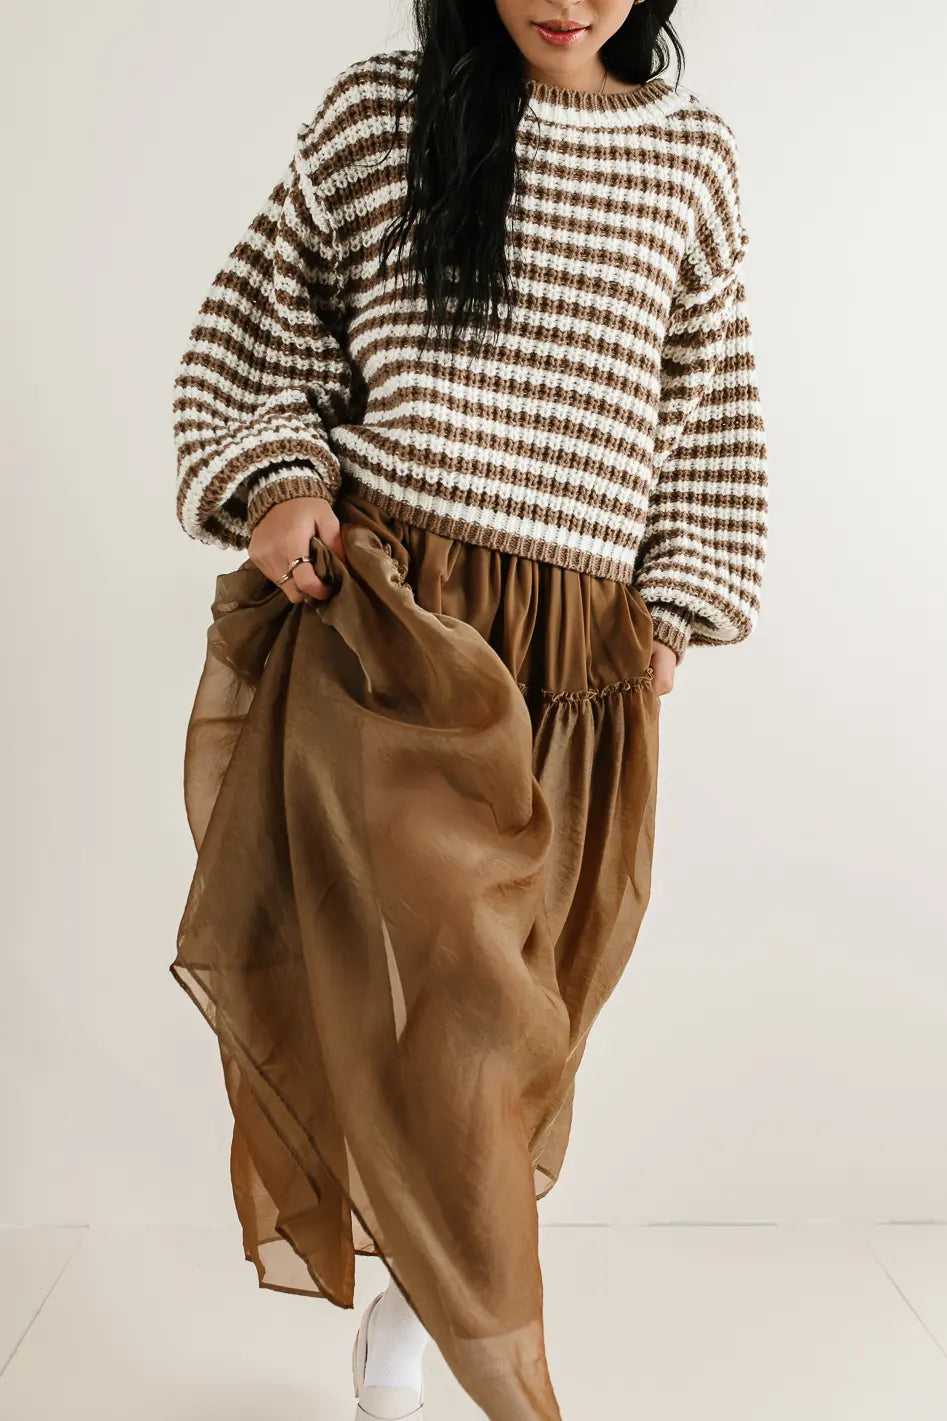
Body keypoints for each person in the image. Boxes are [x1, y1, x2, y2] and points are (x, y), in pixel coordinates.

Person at [169, 2, 768, 1418]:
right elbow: (259, 321)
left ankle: (419, 1309)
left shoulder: (690, 159)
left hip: (577, 663)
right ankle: (515, 1389)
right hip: (396, 628)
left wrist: (678, 598)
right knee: (451, 980)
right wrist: (280, 480)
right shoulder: (384, 113)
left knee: (501, 1033)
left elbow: (711, 398)